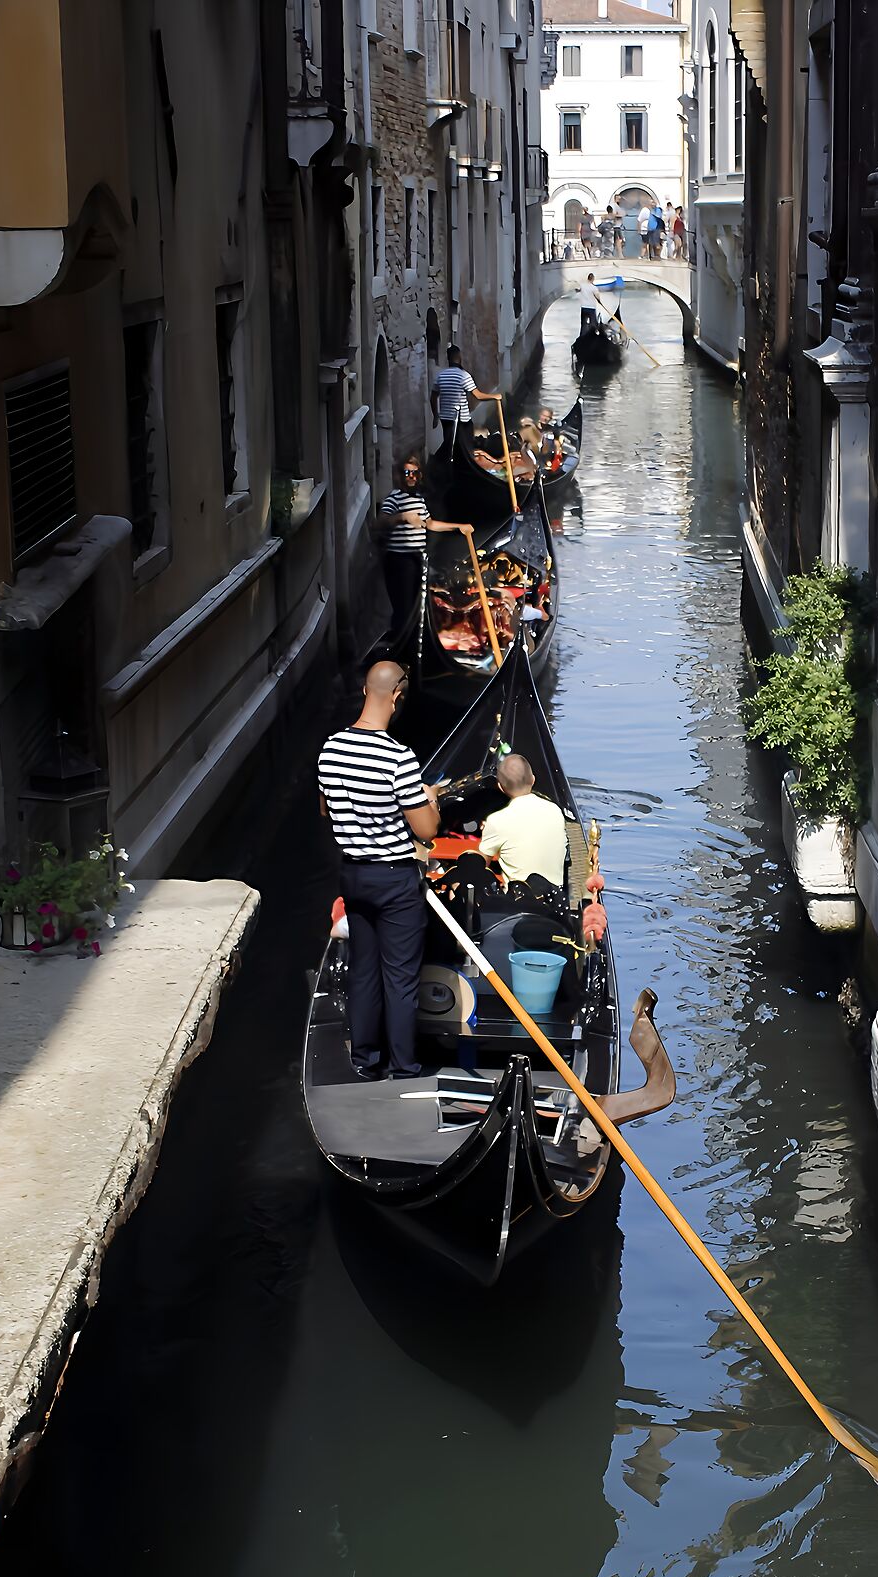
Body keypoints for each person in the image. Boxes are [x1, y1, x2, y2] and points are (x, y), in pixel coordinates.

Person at [318, 661, 441, 1079]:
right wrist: (427, 800)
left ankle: (365, 1062)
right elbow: (426, 829)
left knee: (363, 970)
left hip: (353, 875)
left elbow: (327, 809)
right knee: (400, 978)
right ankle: (405, 1067)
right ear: (397, 696)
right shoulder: (398, 756)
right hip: (394, 879)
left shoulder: (331, 748)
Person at [376, 454, 473, 620]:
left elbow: (430, 524)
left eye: (415, 473)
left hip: (417, 559)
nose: (412, 477)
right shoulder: (394, 498)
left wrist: (458, 527)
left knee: (417, 604)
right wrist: (403, 517)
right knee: (404, 608)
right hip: (399, 560)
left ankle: (412, 637)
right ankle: (402, 638)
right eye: (407, 473)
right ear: (400, 476)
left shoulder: (419, 500)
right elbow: (381, 522)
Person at [477, 754, 567, 889]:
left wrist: (489, 832)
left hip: (518, 902)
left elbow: (480, 866)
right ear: (533, 780)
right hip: (556, 898)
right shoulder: (555, 811)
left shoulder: (497, 821)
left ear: (500, 787)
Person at [431, 345, 499, 469]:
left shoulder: (441, 376)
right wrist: (495, 396)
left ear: (448, 358)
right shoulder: (463, 376)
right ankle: (461, 468)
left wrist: (435, 415)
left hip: (445, 418)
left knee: (449, 442)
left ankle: (447, 467)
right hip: (461, 420)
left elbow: (433, 397)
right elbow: (478, 395)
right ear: (459, 357)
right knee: (464, 446)